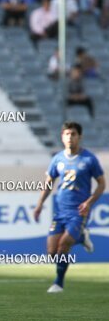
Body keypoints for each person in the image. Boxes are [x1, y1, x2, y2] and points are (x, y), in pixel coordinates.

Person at [34, 122, 105, 293]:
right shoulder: (57, 159)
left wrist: (89, 202)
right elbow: (49, 184)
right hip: (60, 211)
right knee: (52, 252)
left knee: (64, 244)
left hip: (79, 212)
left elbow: (102, 184)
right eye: (66, 134)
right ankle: (81, 237)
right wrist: (39, 204)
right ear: (62, 136)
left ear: (79, 137)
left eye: (73, 134)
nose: (70, 137)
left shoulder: (89, 159)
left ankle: (58, 283)